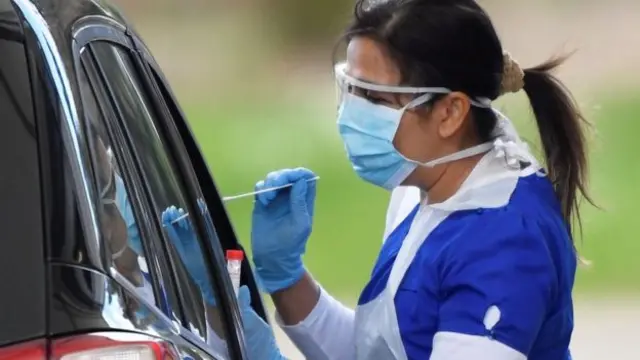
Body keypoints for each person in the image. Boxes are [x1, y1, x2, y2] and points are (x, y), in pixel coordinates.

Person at [237, 0, 592, 359]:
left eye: (373, 97)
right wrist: (286, 279)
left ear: (451, 112)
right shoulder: (424, 184)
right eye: (351, 89)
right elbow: (377, 351)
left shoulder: (506, 242)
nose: (351, 114)